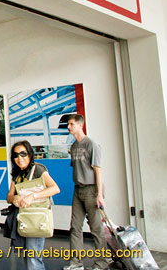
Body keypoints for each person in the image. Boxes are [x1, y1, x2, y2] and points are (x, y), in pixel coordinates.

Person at [63, 114, 109, 270]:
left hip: (91, 190)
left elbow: (98, 171)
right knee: (75, 226)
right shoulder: (74, 147)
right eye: (68, 124)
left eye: (71, 124)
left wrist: (100, 194)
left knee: (96, 229)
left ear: (79, 125)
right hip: (78, 190)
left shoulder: (92, 145)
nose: (68, 127)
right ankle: (76, 263)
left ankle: (101, 264)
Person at [7, 140, 60, 270]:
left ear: (30, 154)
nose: (19, 158)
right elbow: (9, 196)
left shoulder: (38, 169)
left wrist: (33, 196)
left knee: (33, 259)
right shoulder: (17, 174)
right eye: (16, 155)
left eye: (23, 154)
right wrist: (14, 198)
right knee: (29, 256)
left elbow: (55, 188)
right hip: (24, 218)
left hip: (36, 218)